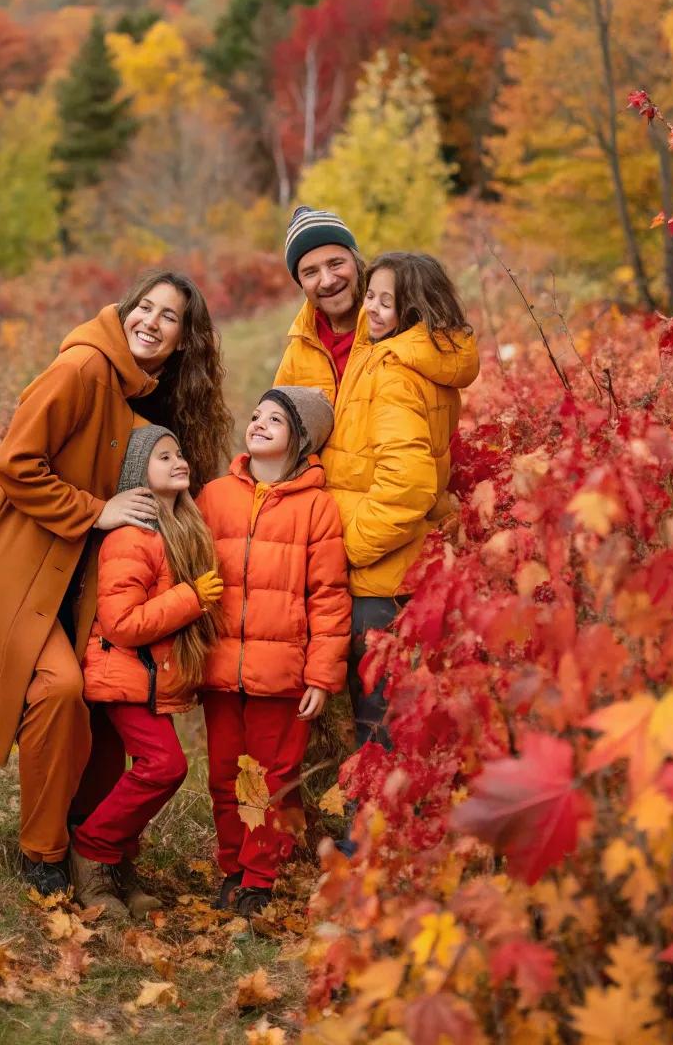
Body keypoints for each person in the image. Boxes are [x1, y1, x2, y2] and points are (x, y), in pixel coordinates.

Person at [0, 271, 231, 897]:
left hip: (88, 575)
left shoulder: (144, 390)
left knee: (104, 697)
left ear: (184, 339)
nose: (150, 321)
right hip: (26, 566)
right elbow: (16, 463)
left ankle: (97, 848)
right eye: (143, 307)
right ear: (125, 309)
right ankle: (43, 852)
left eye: (169, 316)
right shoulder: (84, 368)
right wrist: (98, 510)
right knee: (60, 688)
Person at [197, 385, 350, 915]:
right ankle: (232, 868)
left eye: (276, 420)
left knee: (268, 778)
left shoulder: (317, 508)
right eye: (256, 414)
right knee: (224, 776)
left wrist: (321, 675)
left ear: (301, 439)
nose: (259, 423)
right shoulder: (215, 495)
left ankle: (259, 879)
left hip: (282, 673)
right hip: (220, 667)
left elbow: (328, 596)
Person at [70, 426, 224, 918]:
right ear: (139, 473)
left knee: (139, 771)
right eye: (163, 456)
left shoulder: (178, 530)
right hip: (121, 675)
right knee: (165, 766)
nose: (179, 461)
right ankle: (91, 850)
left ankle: (118, 864)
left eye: (179, 453)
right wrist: (191, 598)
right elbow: (122, 623)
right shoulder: (131, 538)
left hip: (148, 678)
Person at [340, 252, 479, 748]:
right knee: (399, 717)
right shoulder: (412, 358)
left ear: (415, 311)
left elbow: (409, 484)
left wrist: (351, 548)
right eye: (370, 296)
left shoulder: (395, 372)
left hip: (379, 573)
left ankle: (374, 808)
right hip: (403, 565)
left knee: (377, 727)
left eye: (388, 302)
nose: (372, 309)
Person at [274, 204, 370, 403]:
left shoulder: (396, 329)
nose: (327, 281)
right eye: (310, 273)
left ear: (356, 262)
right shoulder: (296, 357)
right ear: (301, 284)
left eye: (336, 263)